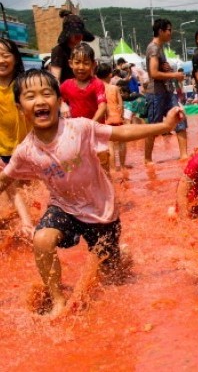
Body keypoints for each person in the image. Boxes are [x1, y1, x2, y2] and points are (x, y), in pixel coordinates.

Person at [0, 69, 184, 317]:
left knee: (113, 277)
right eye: (30, 96)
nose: (40, 101)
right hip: (64, 208)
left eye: (46, 94)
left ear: (59, 100)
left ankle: (121, 255)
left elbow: (121, 133)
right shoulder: (25, 151)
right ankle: (57, 300)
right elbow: (6, 179)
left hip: (102, 211)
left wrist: (164, 125)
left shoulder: (80, 128)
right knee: (41, 239)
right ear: (20, 107)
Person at [144, 19, 188, 163]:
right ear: (161, 31)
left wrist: (168, 69)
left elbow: (158, 69)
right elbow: (154, 73)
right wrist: (174, 75)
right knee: (153, 128)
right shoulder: (154, 48)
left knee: (180, 118)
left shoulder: (159, 48)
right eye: (169, 30)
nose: (171, 32)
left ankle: (184, 155)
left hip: (167, 91)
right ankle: (147, 159)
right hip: (156, 93)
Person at [0, 38, 31, 235]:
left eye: (5, 55)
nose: (1, 60)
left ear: (15, 58)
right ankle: (26, 224)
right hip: (2, 148)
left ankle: (29, 218)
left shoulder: (24, 84)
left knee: (30, 188)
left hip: (27, 147)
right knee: (11, 187)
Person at [59, 43, 106, 122]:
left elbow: (103, 106)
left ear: (93, 64)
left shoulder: (97, 84)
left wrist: (91, 124)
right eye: (77, 62)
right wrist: (62, 104)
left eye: (86, 63)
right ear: (71, 63)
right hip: (75, 127)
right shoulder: (66, 85)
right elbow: (56, 97)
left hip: (95, 127)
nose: (81, 67)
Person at [50, 10, 95, 84]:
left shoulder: (85, 49)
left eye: (80, 32)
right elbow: (56, 78)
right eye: (74, 33)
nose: (78, 35)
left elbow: (91, 75)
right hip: (65, 89)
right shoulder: (59, 50)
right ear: (67, 33)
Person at [96, 62, 126, 171]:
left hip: (105, 120)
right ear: (110, 75)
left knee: (110, 145)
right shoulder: (114, 88)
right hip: (116, 118)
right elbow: (121, 105)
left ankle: (112, 169)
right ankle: (122, 166)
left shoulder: (97, 88)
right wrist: (121, 116)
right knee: (122, 142)